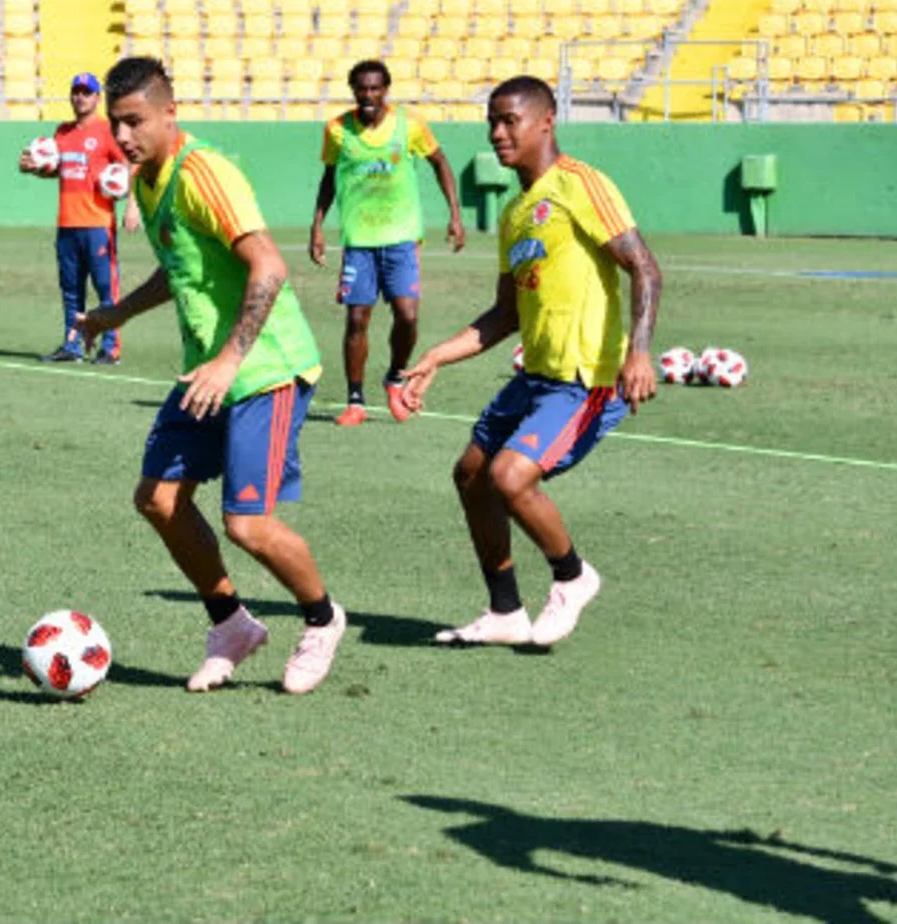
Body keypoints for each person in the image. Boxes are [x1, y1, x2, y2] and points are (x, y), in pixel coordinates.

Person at [77, 56, 346, 695]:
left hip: (266, 369)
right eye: (116, 123)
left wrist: (230, 361)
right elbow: (182, 270)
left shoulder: (205, 175)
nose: (123, 136)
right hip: (209, 371)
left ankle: (323, 618)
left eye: (135, 121)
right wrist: (115, 313)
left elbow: (270, 268)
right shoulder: (147, 179)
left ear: (171, 113)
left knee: (247, 524)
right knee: (159, 499)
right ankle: (231, 625)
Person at [399, 76, 662, 647]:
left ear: (546, 121)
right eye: (491, 121)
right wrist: (437, 356)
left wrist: (639, 351)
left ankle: (573, 578)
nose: (496, 133)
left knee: (509, 478)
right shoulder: (519, 211)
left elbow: (645, 267)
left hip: (586, 380)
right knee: (471, 473)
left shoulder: (581, 185)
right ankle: (504, 612)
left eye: (509, 120)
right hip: (535, 376)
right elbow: (504, 313)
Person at [309, 59, 465, 426]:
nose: (368, 95)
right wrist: (317, 226)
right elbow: (329, 178)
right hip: (359, 240)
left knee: (408, 317)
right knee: (357, 319)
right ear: (353, 91)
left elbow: (440, 163)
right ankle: (356, 401)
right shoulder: (337, 130)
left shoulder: (409, 125)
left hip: (401, 238)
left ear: (386, 90)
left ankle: (395, 377)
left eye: (375, 88)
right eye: (361, 88)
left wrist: (454, 214)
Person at [18, 71, 137, 364]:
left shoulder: (107, 131)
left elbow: (131, 167)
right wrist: (34, 168)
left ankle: (110, 348)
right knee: (71, 291)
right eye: (76, 91)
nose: (80, 97)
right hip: (67, 224)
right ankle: (73, 346)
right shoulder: (62, 132)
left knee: (106, 290)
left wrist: (132, 206)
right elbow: (61, 170)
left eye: (87, 92)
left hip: (98, 224)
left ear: (97, 98)